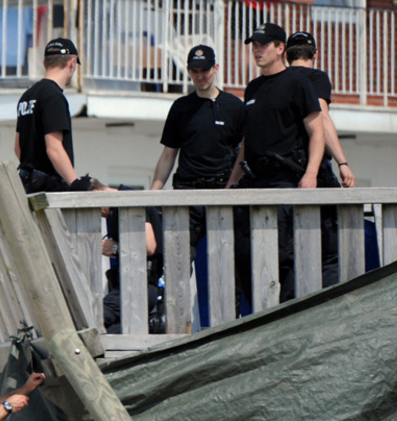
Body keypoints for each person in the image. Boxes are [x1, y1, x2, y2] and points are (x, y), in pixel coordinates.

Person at [227, 22, 325, 304]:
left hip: (285, 180)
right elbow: (247, 141)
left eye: (263, 45)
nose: (257, 50)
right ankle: (258, 315)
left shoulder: (298, 84)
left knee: (283, 256)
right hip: (253, 181)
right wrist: (233, 180)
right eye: (254, 45)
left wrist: (311, 175)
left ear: (281, 48)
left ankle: (285, 318)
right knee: (245, 254)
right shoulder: (253, 87)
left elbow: (317, 131)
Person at [150, 45, 245, 253]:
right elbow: (168, 155)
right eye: (195, 71)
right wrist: (152, 195)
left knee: (228, 261)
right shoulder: (180, 107)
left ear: (216, 68)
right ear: (189, 71)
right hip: (186, 192)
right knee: (177, 259)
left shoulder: (235, 106)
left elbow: (245, 152)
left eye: (205, 70)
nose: (200, 76)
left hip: (223, 193)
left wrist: (234, 184)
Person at [287, 30, 356, 288]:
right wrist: (342, 162)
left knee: (289, 251)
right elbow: (322, 118)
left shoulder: (276, 80)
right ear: (315, 54)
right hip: (313, 171)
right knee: (329, 251)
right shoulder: (315, 77)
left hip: (281, 176)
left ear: (286, 53)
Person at [95, 182, 166, 334]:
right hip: (131, 284)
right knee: (114, 330)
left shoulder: (129, 199)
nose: (99, 214)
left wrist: (116, 247)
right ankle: (150, 330)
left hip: (139, 283)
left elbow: (149, 247)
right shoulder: (120, 204)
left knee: (94, 318)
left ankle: (152, 328)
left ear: (98, 191)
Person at [15, 38, 81, 193]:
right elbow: (54, 149)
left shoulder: (27, 96)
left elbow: (19, 148)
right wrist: (75, 184)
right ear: (72, 63)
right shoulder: (54, 97)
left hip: (27, 184)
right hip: (49, 188)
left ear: (45, 64)